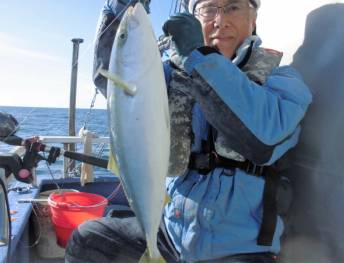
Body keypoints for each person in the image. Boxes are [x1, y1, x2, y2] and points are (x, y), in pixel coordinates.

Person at [65, 0, 312, 262]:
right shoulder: (171, 76)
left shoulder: (283, 81)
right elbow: (117, 77)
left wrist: (198, 55)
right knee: (87, 241)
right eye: (208, 9)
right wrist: (120, 9)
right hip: (170, 234)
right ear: (194, 18)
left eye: (233, 7)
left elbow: (263, 138)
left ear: (254, 20)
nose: (220, 20)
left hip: (239, 249)